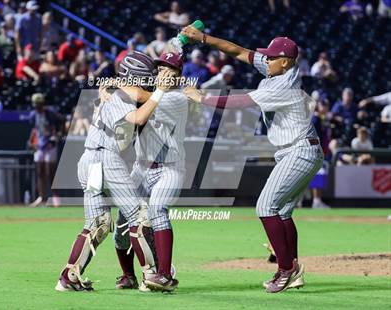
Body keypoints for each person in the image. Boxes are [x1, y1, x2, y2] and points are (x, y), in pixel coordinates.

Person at [181, 26, 323, 293]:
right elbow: (238, 51)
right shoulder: (276, 68)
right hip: (300, 150)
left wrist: (201, 98)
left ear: (286, 62)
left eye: (271, 57)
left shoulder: (283, 84)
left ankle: (287, 269)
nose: (265, 60)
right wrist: (203, 38)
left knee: (265, 207)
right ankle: (290, 266)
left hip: (299, 150)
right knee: (281, 211)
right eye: (266, 56)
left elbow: (241, 101)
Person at [55, 51, 176, 291]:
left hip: (90, 159)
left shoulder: (116, 88)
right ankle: (152, 275)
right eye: (144, 77)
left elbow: (142, 97)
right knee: (140, 216)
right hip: (104, 158)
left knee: (98, 222)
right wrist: (161, 90)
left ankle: (68, 277)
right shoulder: (117, 92)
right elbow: (139, 118)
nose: (148, 81)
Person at [112, 52, 187, 292]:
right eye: (161, 70)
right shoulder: (152, 92)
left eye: (171, 72)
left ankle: (165, 275)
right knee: (122, 224)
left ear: (178, 78)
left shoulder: (177, 98)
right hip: (141, 168)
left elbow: (140, 95)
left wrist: (117, 81)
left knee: (157, 210)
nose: (164, 74)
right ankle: (128, 275)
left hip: (170, 168)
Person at [28, 93, 64, 207]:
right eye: (35, 105)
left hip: (50, 145)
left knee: (50, 172)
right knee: (40, 172)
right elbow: (35, 129)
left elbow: (62, 120)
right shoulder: (33, 115)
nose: (37, 106)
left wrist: (58, 135)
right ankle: (41, 197)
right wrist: (31, 141)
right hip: (39, 145)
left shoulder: (51, 113)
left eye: (39, 104)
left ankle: (55, 197)